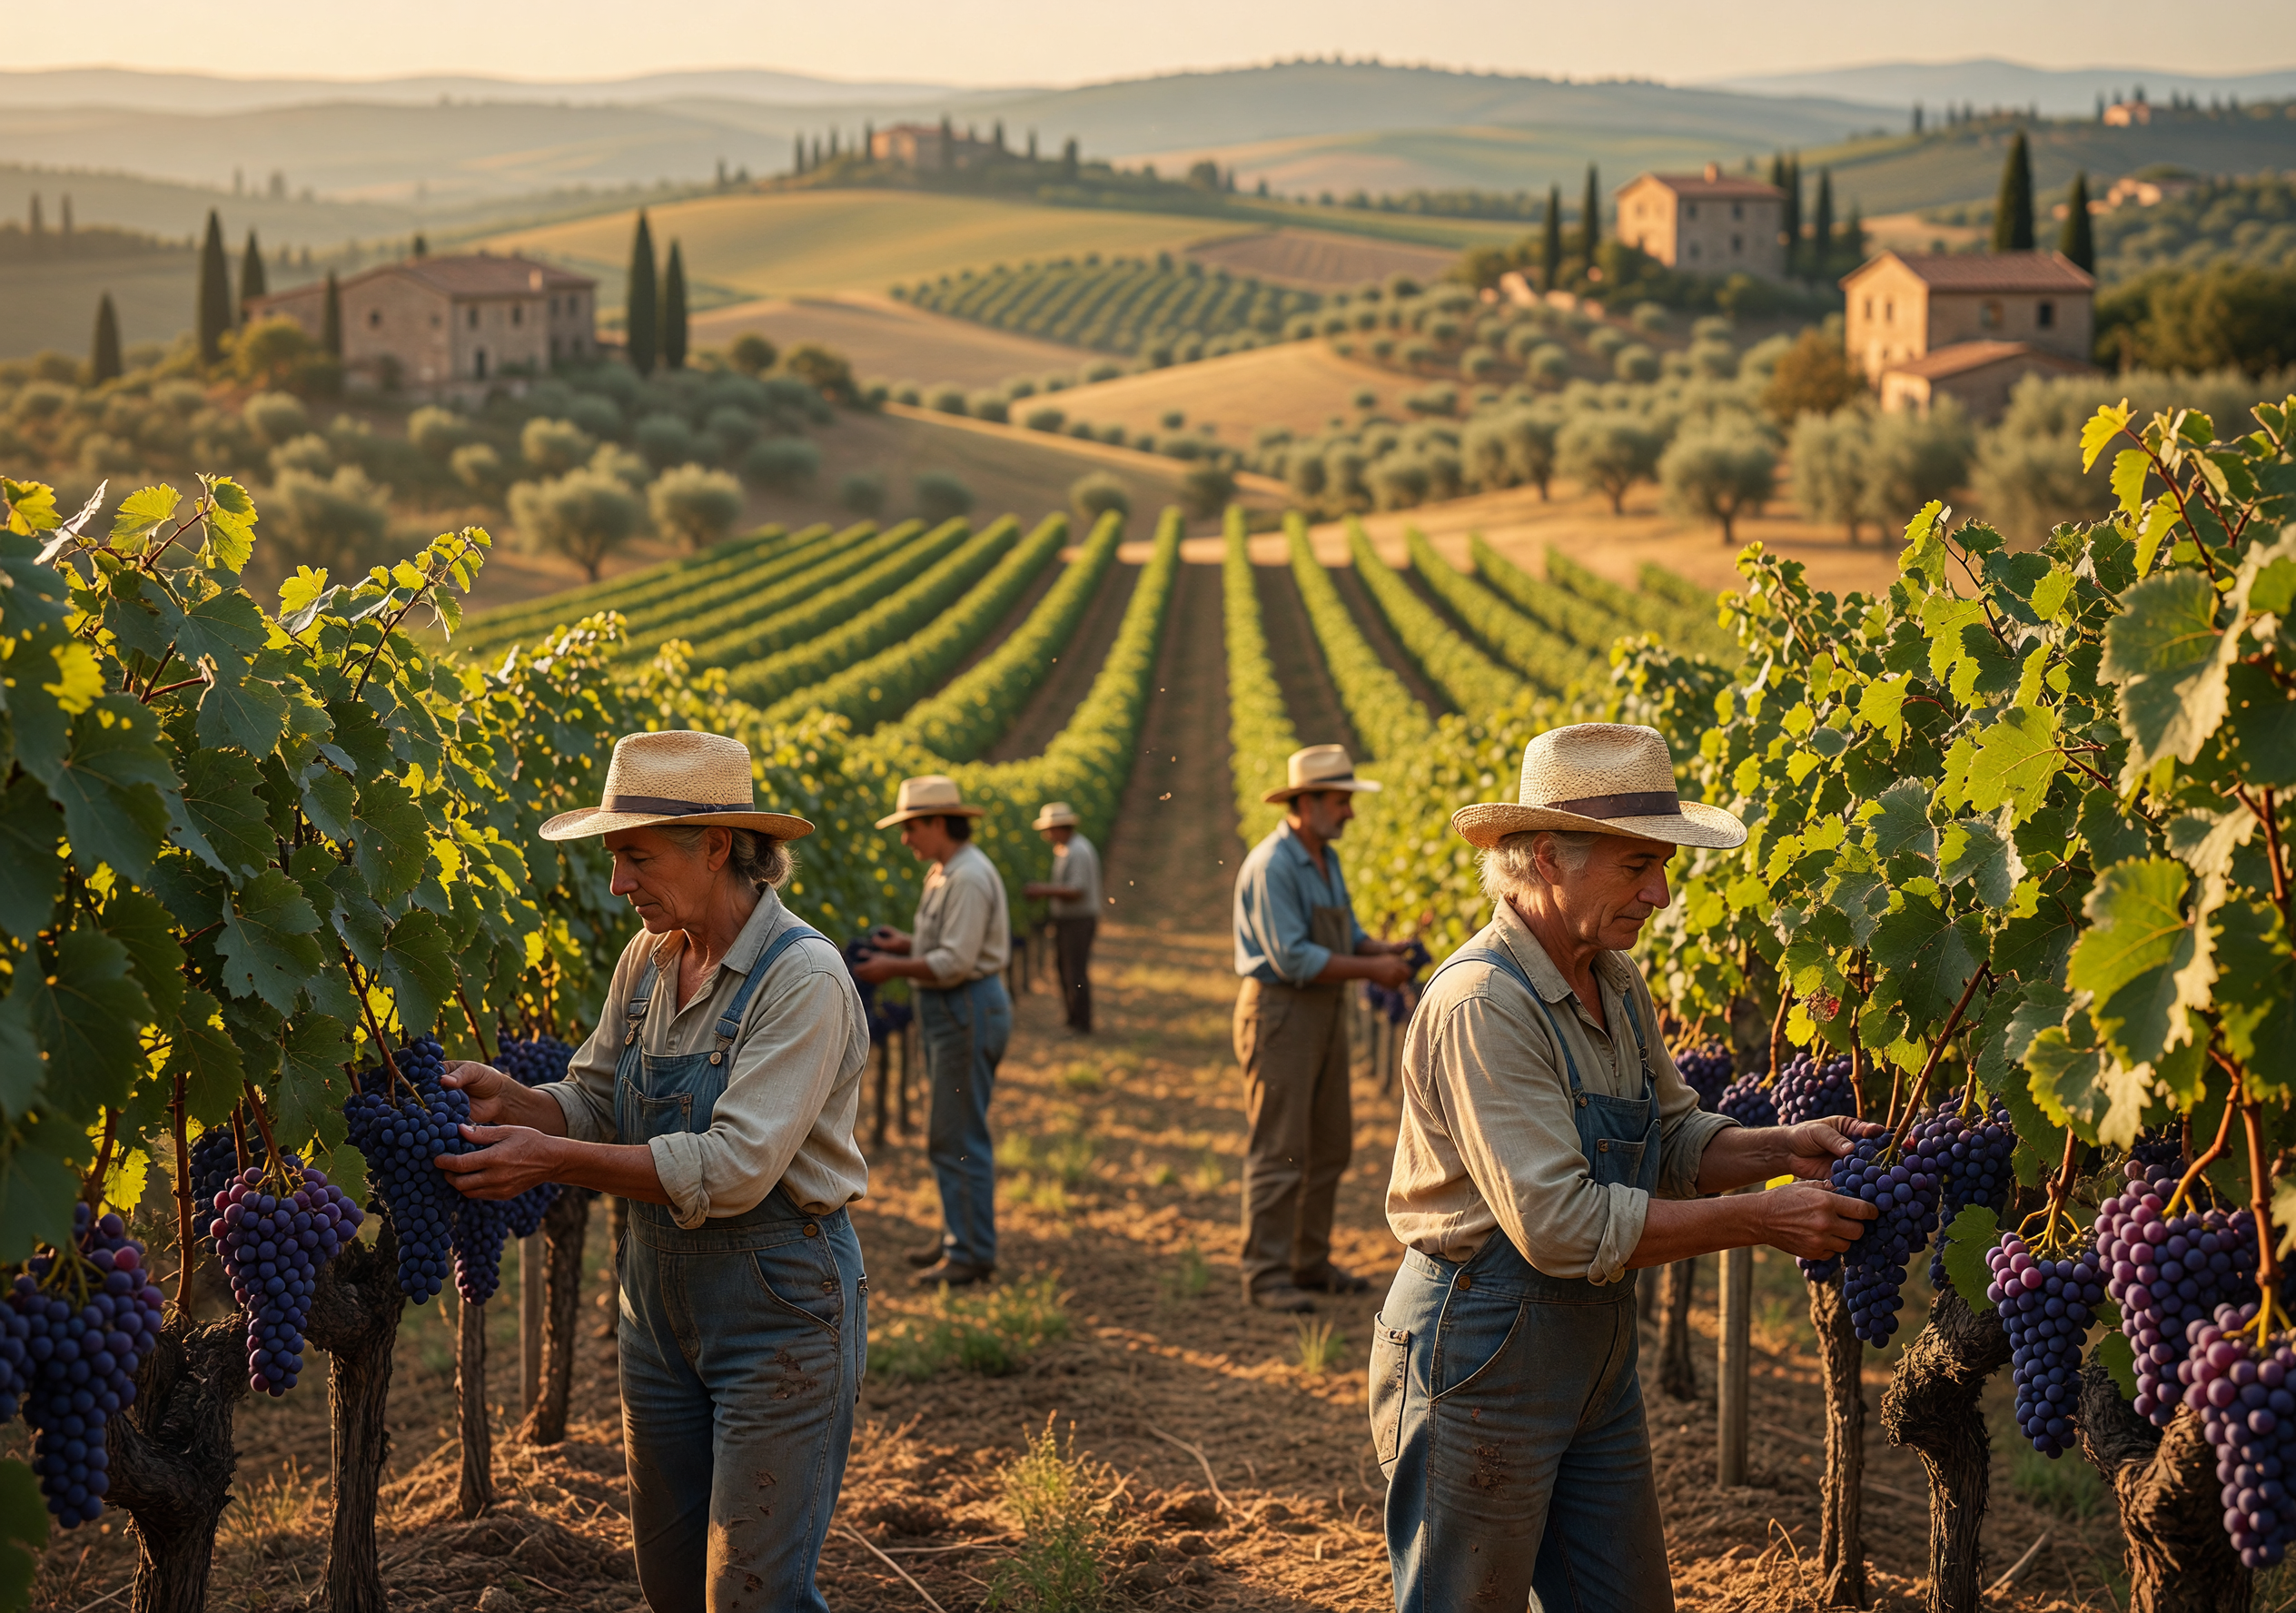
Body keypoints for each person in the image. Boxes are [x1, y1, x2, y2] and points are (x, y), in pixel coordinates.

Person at [1374, 722, 1882, 1611]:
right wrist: (1761, 1218)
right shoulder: (1482, 1003)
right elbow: (1559, 1227)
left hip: (1591, 1348)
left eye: (1663, 868)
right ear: (1545, 858)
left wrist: (1778, 1147)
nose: (1657, 893)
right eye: (1633, 866)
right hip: (1478, 1352)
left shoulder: (1611, 981)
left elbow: (1673, 1139)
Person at [433, 729, 871, 1613]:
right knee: (672, 1588)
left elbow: (735, 1168)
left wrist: (550, 1159)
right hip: (655, 1310)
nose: (617, 884)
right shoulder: (647, 962)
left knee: (752, 1595)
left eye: (634, 857)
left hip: (778, 1311)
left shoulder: (803, 980)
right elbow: (595, 1097)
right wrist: (515, 1101)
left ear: (716, 847)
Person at [1232, 744, 1417, 1313]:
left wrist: (1384, 949)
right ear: (1306, 803)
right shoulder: (1272, 866)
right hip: (1282, 1012)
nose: (1349, 813)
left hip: (1324, 1009)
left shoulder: (1324, 859)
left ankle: (1307, 1263)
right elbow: (1292, 959)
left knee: (1330, 1144)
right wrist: (1374, 970)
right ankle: (1266, 1274)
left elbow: (1347, 934)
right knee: (1281, 1147)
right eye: (1341, 802)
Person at [852, 775, 1011, 1289]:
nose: (906, 839)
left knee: (957, 1134)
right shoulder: (947, 872)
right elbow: (939, 943)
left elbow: (954, 961)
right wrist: (904, 945)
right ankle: (957, 1239)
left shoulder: (965, 877)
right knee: (950, 1129)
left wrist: (892, 970)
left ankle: (969, 1253)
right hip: (953, 1010)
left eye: (912, 827)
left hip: (965, 1007)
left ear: (939, 822)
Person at [1022, 800, 1103, 1034]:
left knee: (1074, 971)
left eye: (1049, 829)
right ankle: (1074, 1020)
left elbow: (1077, 890)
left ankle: (1081, 1024)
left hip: (1078, 920)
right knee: (1067, 969)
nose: (1046, 835)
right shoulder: (1067, 849)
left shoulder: (1077, 851)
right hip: (1071, 920)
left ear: (1059, 827)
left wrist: (1042, 891)